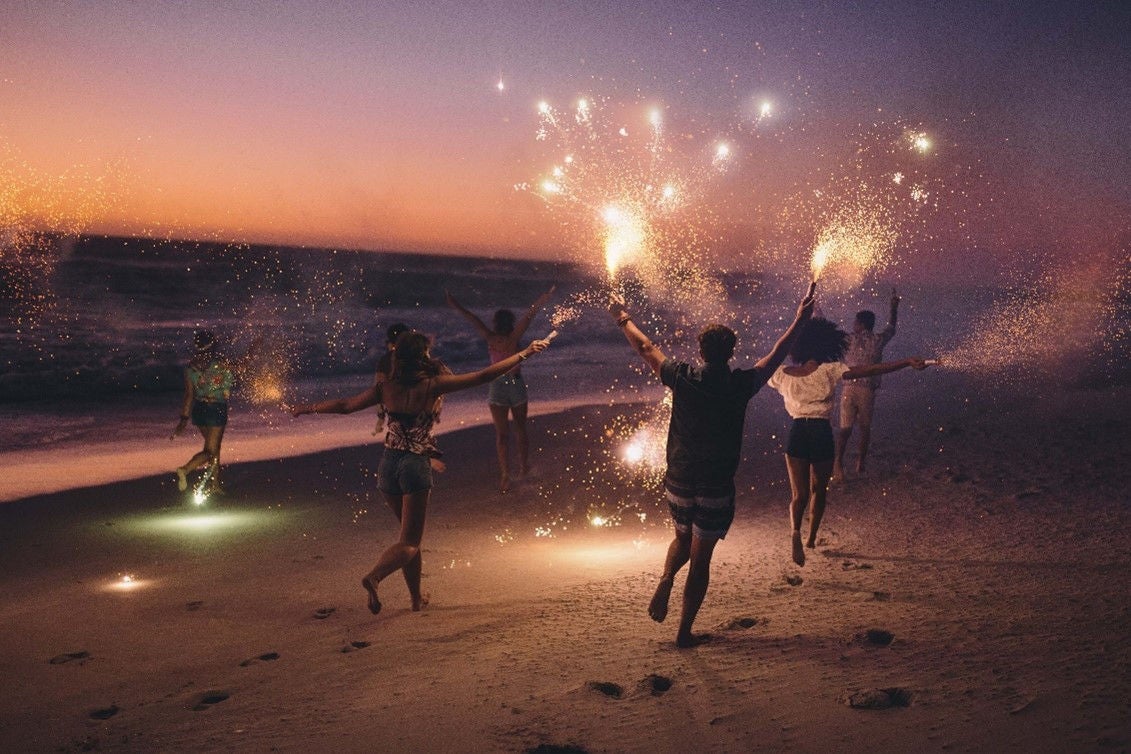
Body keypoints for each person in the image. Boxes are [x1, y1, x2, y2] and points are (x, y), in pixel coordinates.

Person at [608, 283, 815, 648]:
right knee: (701, 560)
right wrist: (800, 320)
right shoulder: (741, 384)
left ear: (700, 351)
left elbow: (645, 348)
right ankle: (684, 632)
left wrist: (622, 317)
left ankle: (666, 579)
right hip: (716, 485)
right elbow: (777, 353)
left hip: (680, 481)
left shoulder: (682, 377)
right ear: (731, 352)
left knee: (681, 539)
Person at [292, 330, 551, 615]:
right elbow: (482, 376)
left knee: (408, 538)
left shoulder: (386, 387)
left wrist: (308, 408)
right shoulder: (432, 386)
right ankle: (374, 577)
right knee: (410, 542)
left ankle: (416, 600)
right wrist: (524, 353)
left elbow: (345, 406)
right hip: (414, 466)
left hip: (388, 465)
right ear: (422, 356)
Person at [767, 316, 928, 567]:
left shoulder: (781, 374)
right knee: (819, 489)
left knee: (798, 495)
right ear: (826, 345)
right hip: (821, 433)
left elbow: (762, 365)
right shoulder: (830, 371)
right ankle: (811, 539)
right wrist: (906, 362)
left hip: (797, 432)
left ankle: (795, 533)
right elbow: (871, 370)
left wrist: (785, 341)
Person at [445, 285, 556, 492]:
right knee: (520, 429)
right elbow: (530, 314)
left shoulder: (490, 338)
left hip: (496, 387)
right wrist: (545, 296)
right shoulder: (514, 338)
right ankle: (523, 468)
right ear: (511, 323)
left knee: (501, 434)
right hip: (515, 384)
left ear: (496, 323)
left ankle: (506, 475)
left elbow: (471, 318)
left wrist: (454, 304)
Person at [833, 289, 901, 481]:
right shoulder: (877, 340)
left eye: (855, 322)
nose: (853, 325)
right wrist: (893, 308)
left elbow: (830, 331)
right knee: (864, 427)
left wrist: (815, 309)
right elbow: (891, 328)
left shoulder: (848, 339)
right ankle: (860, 461)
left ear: (860, 324)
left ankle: (838, 462)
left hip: (848, 388)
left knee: (845, 428)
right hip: (867, 390)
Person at [170, 329, 246, 495]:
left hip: (199, 411)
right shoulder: (221, 364)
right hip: (216, 410)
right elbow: (242, 367)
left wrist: (183, 419)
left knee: (214, 447)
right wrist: (254, 349)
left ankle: (215, 483)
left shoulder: (190, 368)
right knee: (210, 451)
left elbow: (189, 395)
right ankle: (185, 469)